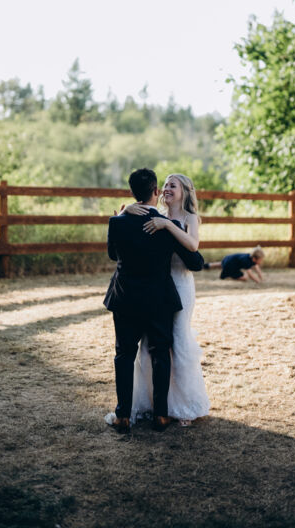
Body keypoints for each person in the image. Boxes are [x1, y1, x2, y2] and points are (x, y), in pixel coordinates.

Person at [104, 168, 204, 434]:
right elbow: (195, 261)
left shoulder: (117, 222)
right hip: (158, 299)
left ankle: (123, 415)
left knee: (124, 355)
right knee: (160, 353)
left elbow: (113, 255)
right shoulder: (164, 225)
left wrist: (123, 215)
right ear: (156, 191)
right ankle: (160, 414)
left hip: (125, 298)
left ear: (132, 192)